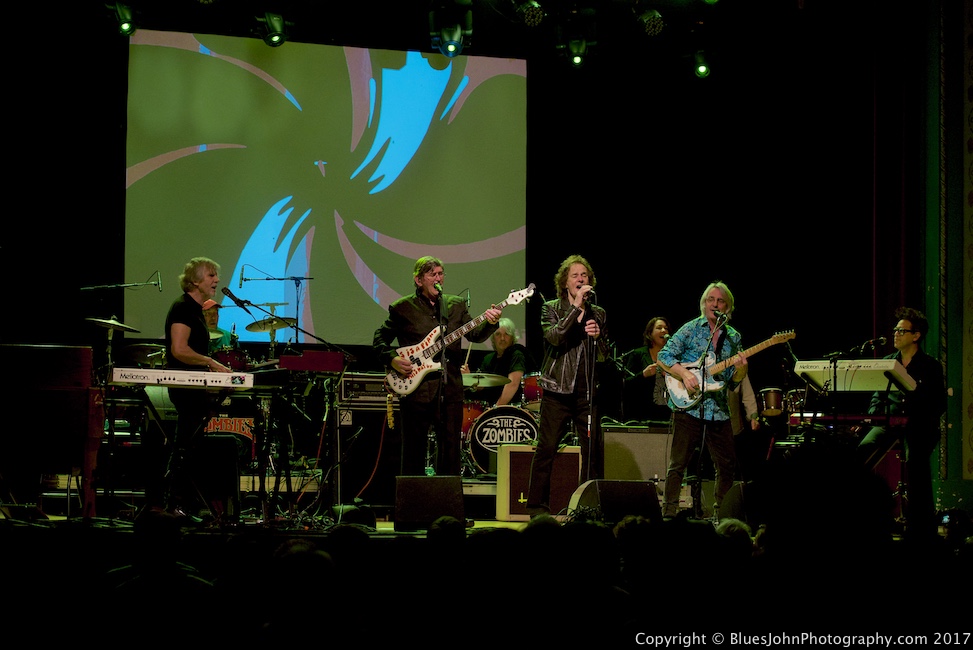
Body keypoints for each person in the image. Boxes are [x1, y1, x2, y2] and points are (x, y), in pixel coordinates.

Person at [373, 256, 502, 476]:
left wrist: (491, 322)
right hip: (416, 391)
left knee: (450, 451)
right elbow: (379, 339)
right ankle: (413, 505)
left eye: (441, 273)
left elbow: (474, 335)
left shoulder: (455, 305)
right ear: (418, 280)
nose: (438, 278)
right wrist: (393, 359)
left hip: (450, 389)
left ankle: (448, 505)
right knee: (413, 451)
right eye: (432, 274)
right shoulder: (402, 308)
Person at [656, 280, 748, 520]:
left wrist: (740, 371)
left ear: (728, 307)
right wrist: (685, 374)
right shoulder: (691, 328)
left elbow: (732, 382)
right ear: (704, 304)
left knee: (726, 465)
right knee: (678, 465)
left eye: (720, 301)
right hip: (688, 408)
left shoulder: (734, 337)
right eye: (711, 300)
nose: (715, 304)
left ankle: (723, 516)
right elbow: (664, 356)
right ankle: (669, 514)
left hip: (718, 409)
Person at [526, 254, 607, 517]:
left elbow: (605, 355)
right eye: (575, 275)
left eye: (584, 275)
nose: (581, 279)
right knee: (547, 448)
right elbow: (555, 337)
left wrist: (598, 337)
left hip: (587, 394)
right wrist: (576, 310)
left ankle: (589, 507)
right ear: (565, 282)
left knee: (592, 450)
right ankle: (538, 508)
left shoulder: (599, 313)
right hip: (557, 392)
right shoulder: (551, 307)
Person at [857, 306, 946, 544]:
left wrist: (917, 409)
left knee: (916, 462)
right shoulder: (887, 362)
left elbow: (938, 404)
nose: (895, 334)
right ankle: (867, 519)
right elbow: (878, 396)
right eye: (895, 330)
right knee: (862, 453)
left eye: (901, 330)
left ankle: (921, 529)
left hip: (918, 424)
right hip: (889, 421)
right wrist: (874, 415)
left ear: (916, 336)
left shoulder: (930, 366)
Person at [160, 257, 233, 517]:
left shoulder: (194, 309)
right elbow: (179, 350)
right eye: (211, 275)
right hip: (185, 386)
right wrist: (210, 362)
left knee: (189, 445)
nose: (217, 280)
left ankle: (181, 503)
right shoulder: (183, 308)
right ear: (194, 280)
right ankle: (173, 503)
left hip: (194, 386)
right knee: (185, 445)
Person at [461, 317, 532, 407]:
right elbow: (482, 386)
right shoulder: (488, 359)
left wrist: (496, 409)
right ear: (493, 338)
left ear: (512, 337)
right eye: (498, 334)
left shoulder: (516, 354)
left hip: (512, 408)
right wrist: (470, 379)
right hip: (492, 406)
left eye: (506, 334)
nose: (502, 338)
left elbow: (513, 384)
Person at [621, 316, 673, 423]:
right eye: (659, 328)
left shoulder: (673, 357)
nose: (664, 330)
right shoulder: (638, 354)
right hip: (642, 412)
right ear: (650, 333)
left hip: (667, 412)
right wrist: (643, 374)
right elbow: (625, 384)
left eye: (666, 328)